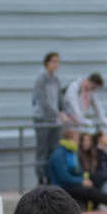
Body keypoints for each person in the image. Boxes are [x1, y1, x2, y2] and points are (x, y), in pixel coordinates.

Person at [46, 128, 107, 210]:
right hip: (62, 186)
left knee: (97, 180)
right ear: (70, 139)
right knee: (88, 190)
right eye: (76, 139)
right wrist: (81, 181)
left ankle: (102, 203)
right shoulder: (59, 154)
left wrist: (84, 179)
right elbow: (64, 177)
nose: (78, 142)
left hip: (71, 183)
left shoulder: (72, 152)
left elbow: (78, 171)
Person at [31, 52, 69, 183]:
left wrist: (63, 111)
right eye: (53, 61)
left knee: (54, 149)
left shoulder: (56, 80)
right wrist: (57, 113)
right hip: (42, 119)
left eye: (58, 62)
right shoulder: (41, 79)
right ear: (47, 63)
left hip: (55, 121)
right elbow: (42, 101)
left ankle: (51, 176)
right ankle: (41, 177)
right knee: (42, 149)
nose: (56, 65)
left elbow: (60, 99)